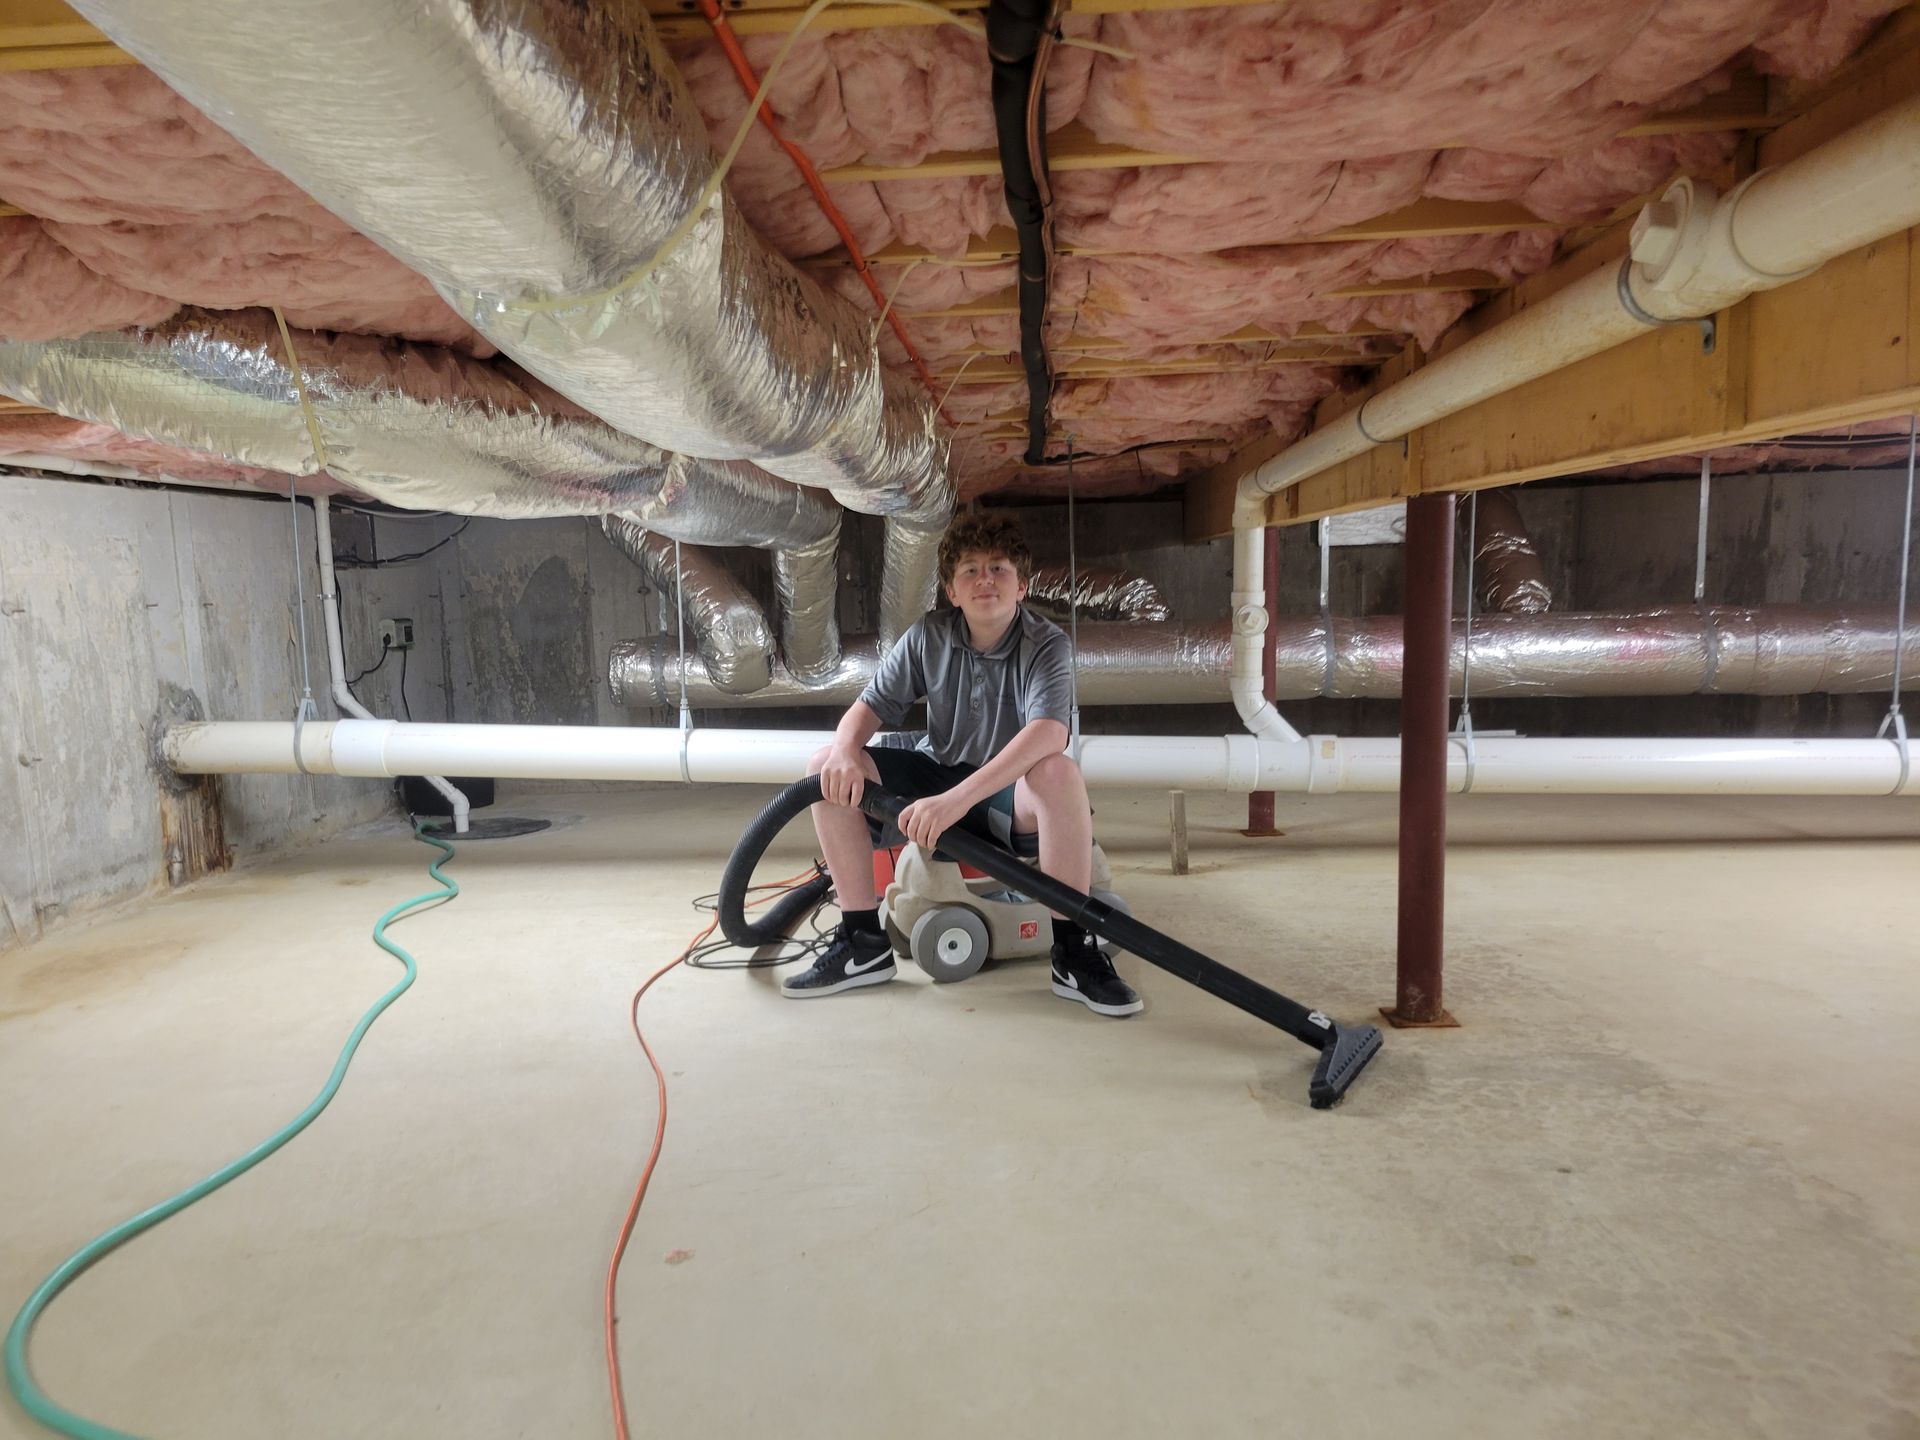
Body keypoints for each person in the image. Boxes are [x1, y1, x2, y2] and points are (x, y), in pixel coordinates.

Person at [781, 509, 1143, 1016]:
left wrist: (954, 802)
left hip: (1006, 791)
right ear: (952, 591)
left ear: (1021, 587)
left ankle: (1073, 954)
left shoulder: (1047, 645)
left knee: (1059, 770)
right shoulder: (930, 635)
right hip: (939, 771)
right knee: (826, 766)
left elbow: (1049, 733)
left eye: (999, 568)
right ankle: (863, 945)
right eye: (969, 569)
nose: (984, 579)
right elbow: (867, 709)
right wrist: (843, 752)